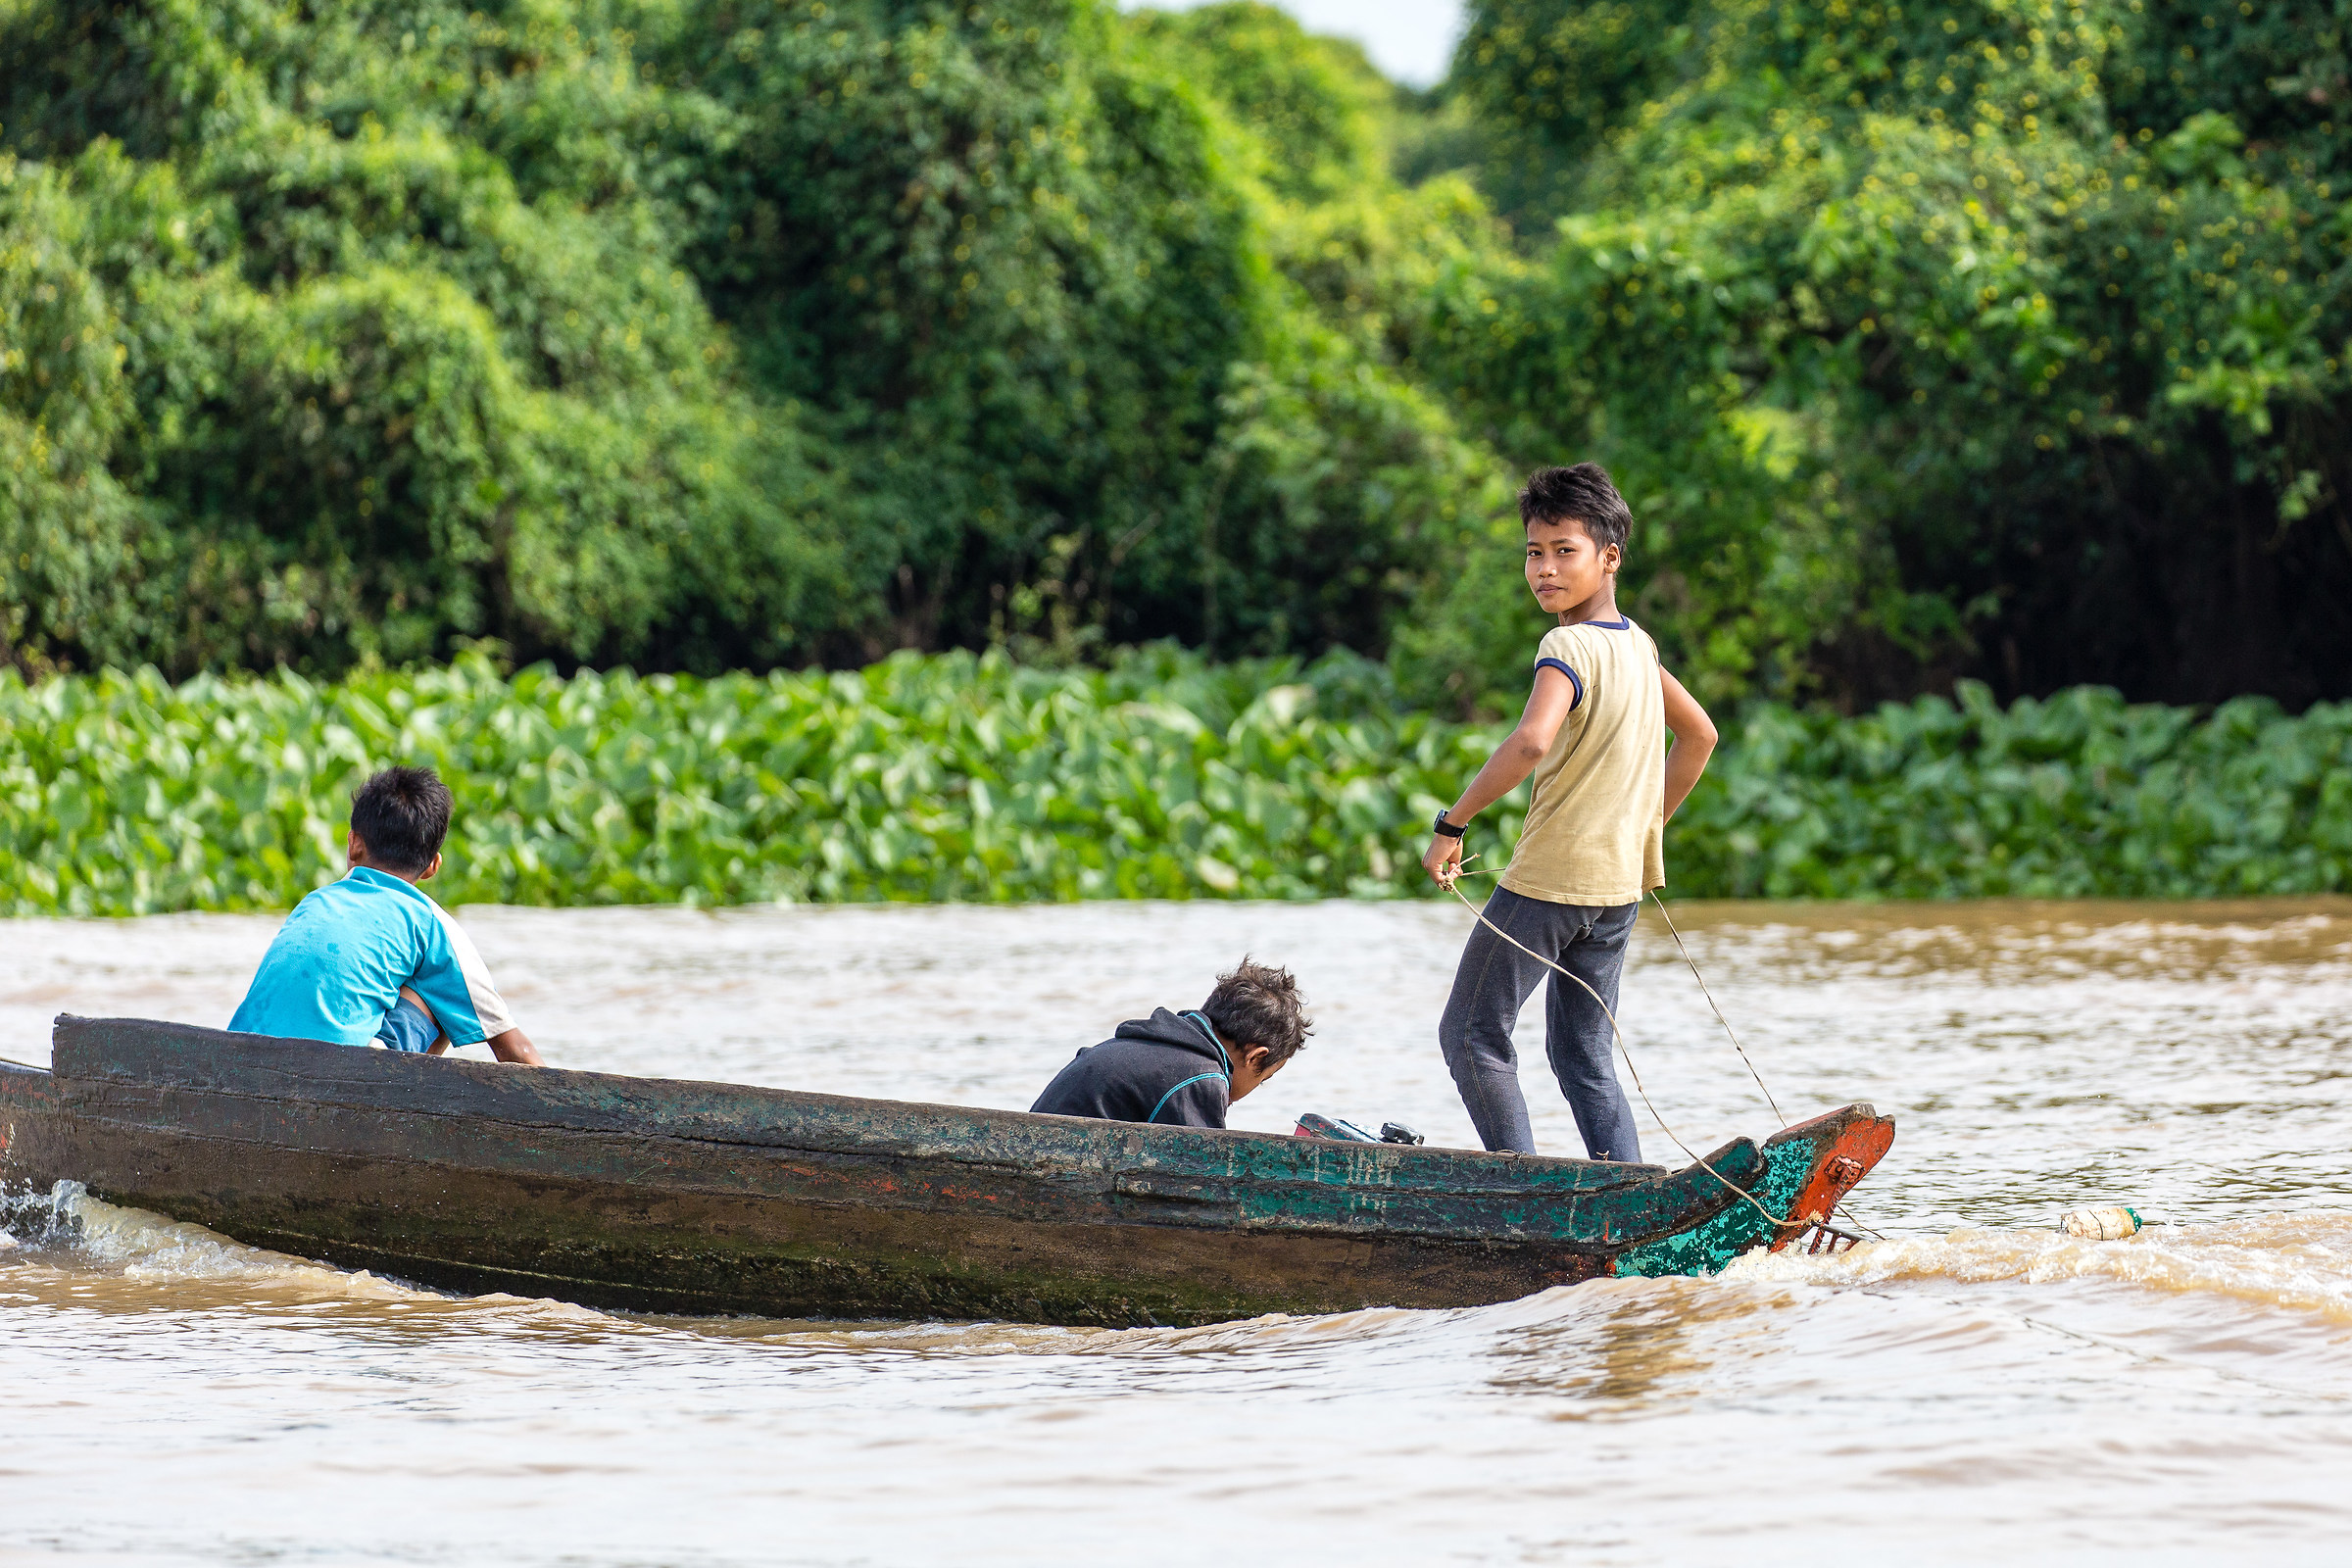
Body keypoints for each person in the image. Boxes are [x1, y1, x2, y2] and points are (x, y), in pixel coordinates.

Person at [1421, 463, 1716, 1159]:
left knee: (1469, 1034)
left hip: (1550, 884)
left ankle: (1520, 1185)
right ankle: (1633, 1197)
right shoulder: (1638, 647)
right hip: (1617, 891)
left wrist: (1451, 825)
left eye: (1565, 551)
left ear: (1608, 557)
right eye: (1534, 552)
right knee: (1583, 1057)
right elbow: (1699, 735)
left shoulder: (1566, 645)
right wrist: (1647, 826)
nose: (1545, 570)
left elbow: (1530, 742)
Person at [227, 766, 544, 1065]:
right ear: (433, 865)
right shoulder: (430, 923)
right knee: (443, 991)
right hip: (342, 1079)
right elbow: (516, 1050)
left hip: (241, 1062)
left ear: (354, 845)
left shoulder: (315, 902)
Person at [1030, 959, 1309, 1127]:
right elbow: (1203, 1174)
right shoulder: (1203, 1077)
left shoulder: (1155, 1044)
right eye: (1263, 1079)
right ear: (1256, 1058)